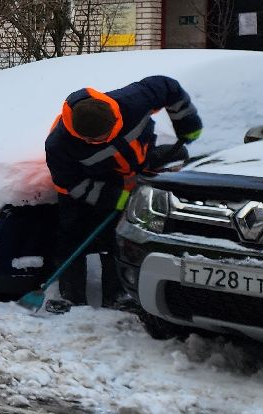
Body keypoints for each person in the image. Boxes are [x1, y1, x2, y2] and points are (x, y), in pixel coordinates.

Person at [45, 77, 203, 306]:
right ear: (82, 136)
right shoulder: (59, 144)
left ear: (115, 118)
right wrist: (117, 198)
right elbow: (74, 184)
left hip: (130, 169)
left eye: (106, 134)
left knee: (117, 235)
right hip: (81, 184)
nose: (102, 140)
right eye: (95, 141)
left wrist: (187, 123)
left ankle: (118, 295)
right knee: (72, 236)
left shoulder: (133, 101)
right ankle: (69, 297)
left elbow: (169, 88)